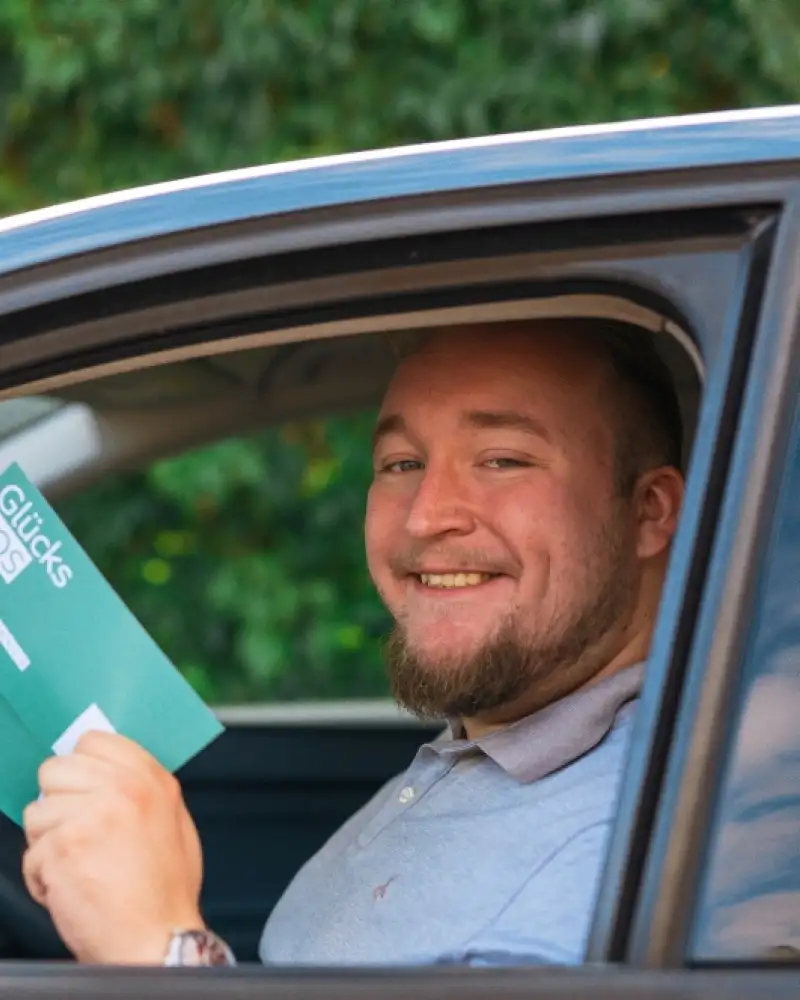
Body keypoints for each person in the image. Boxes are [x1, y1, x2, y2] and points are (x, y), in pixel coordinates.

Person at [20, 318, 685, 967]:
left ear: (648, 511)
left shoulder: (626, 861)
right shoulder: (485, 748)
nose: (426, 515)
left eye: (503, 460)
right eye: (401, 462)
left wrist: (158, 951)